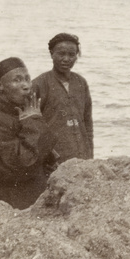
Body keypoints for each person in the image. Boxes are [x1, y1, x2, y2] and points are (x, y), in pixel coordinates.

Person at [0, 57, 58, 221]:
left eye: (27, 79)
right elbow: (23, 164)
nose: (26, 85)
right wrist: (33, 121)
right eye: (17, 80)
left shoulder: (20, 111)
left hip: (21, 198)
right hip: (2, 206)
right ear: (0, 85)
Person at [32, 33, 93, 163]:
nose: (66, 59)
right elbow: (31, 126)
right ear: (51, 53)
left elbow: (87, 122)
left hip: (82, 155)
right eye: (61, 54)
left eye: (72, 55)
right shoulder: (39, 84)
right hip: (54, 158)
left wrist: (90, 156)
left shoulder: (81, 82)